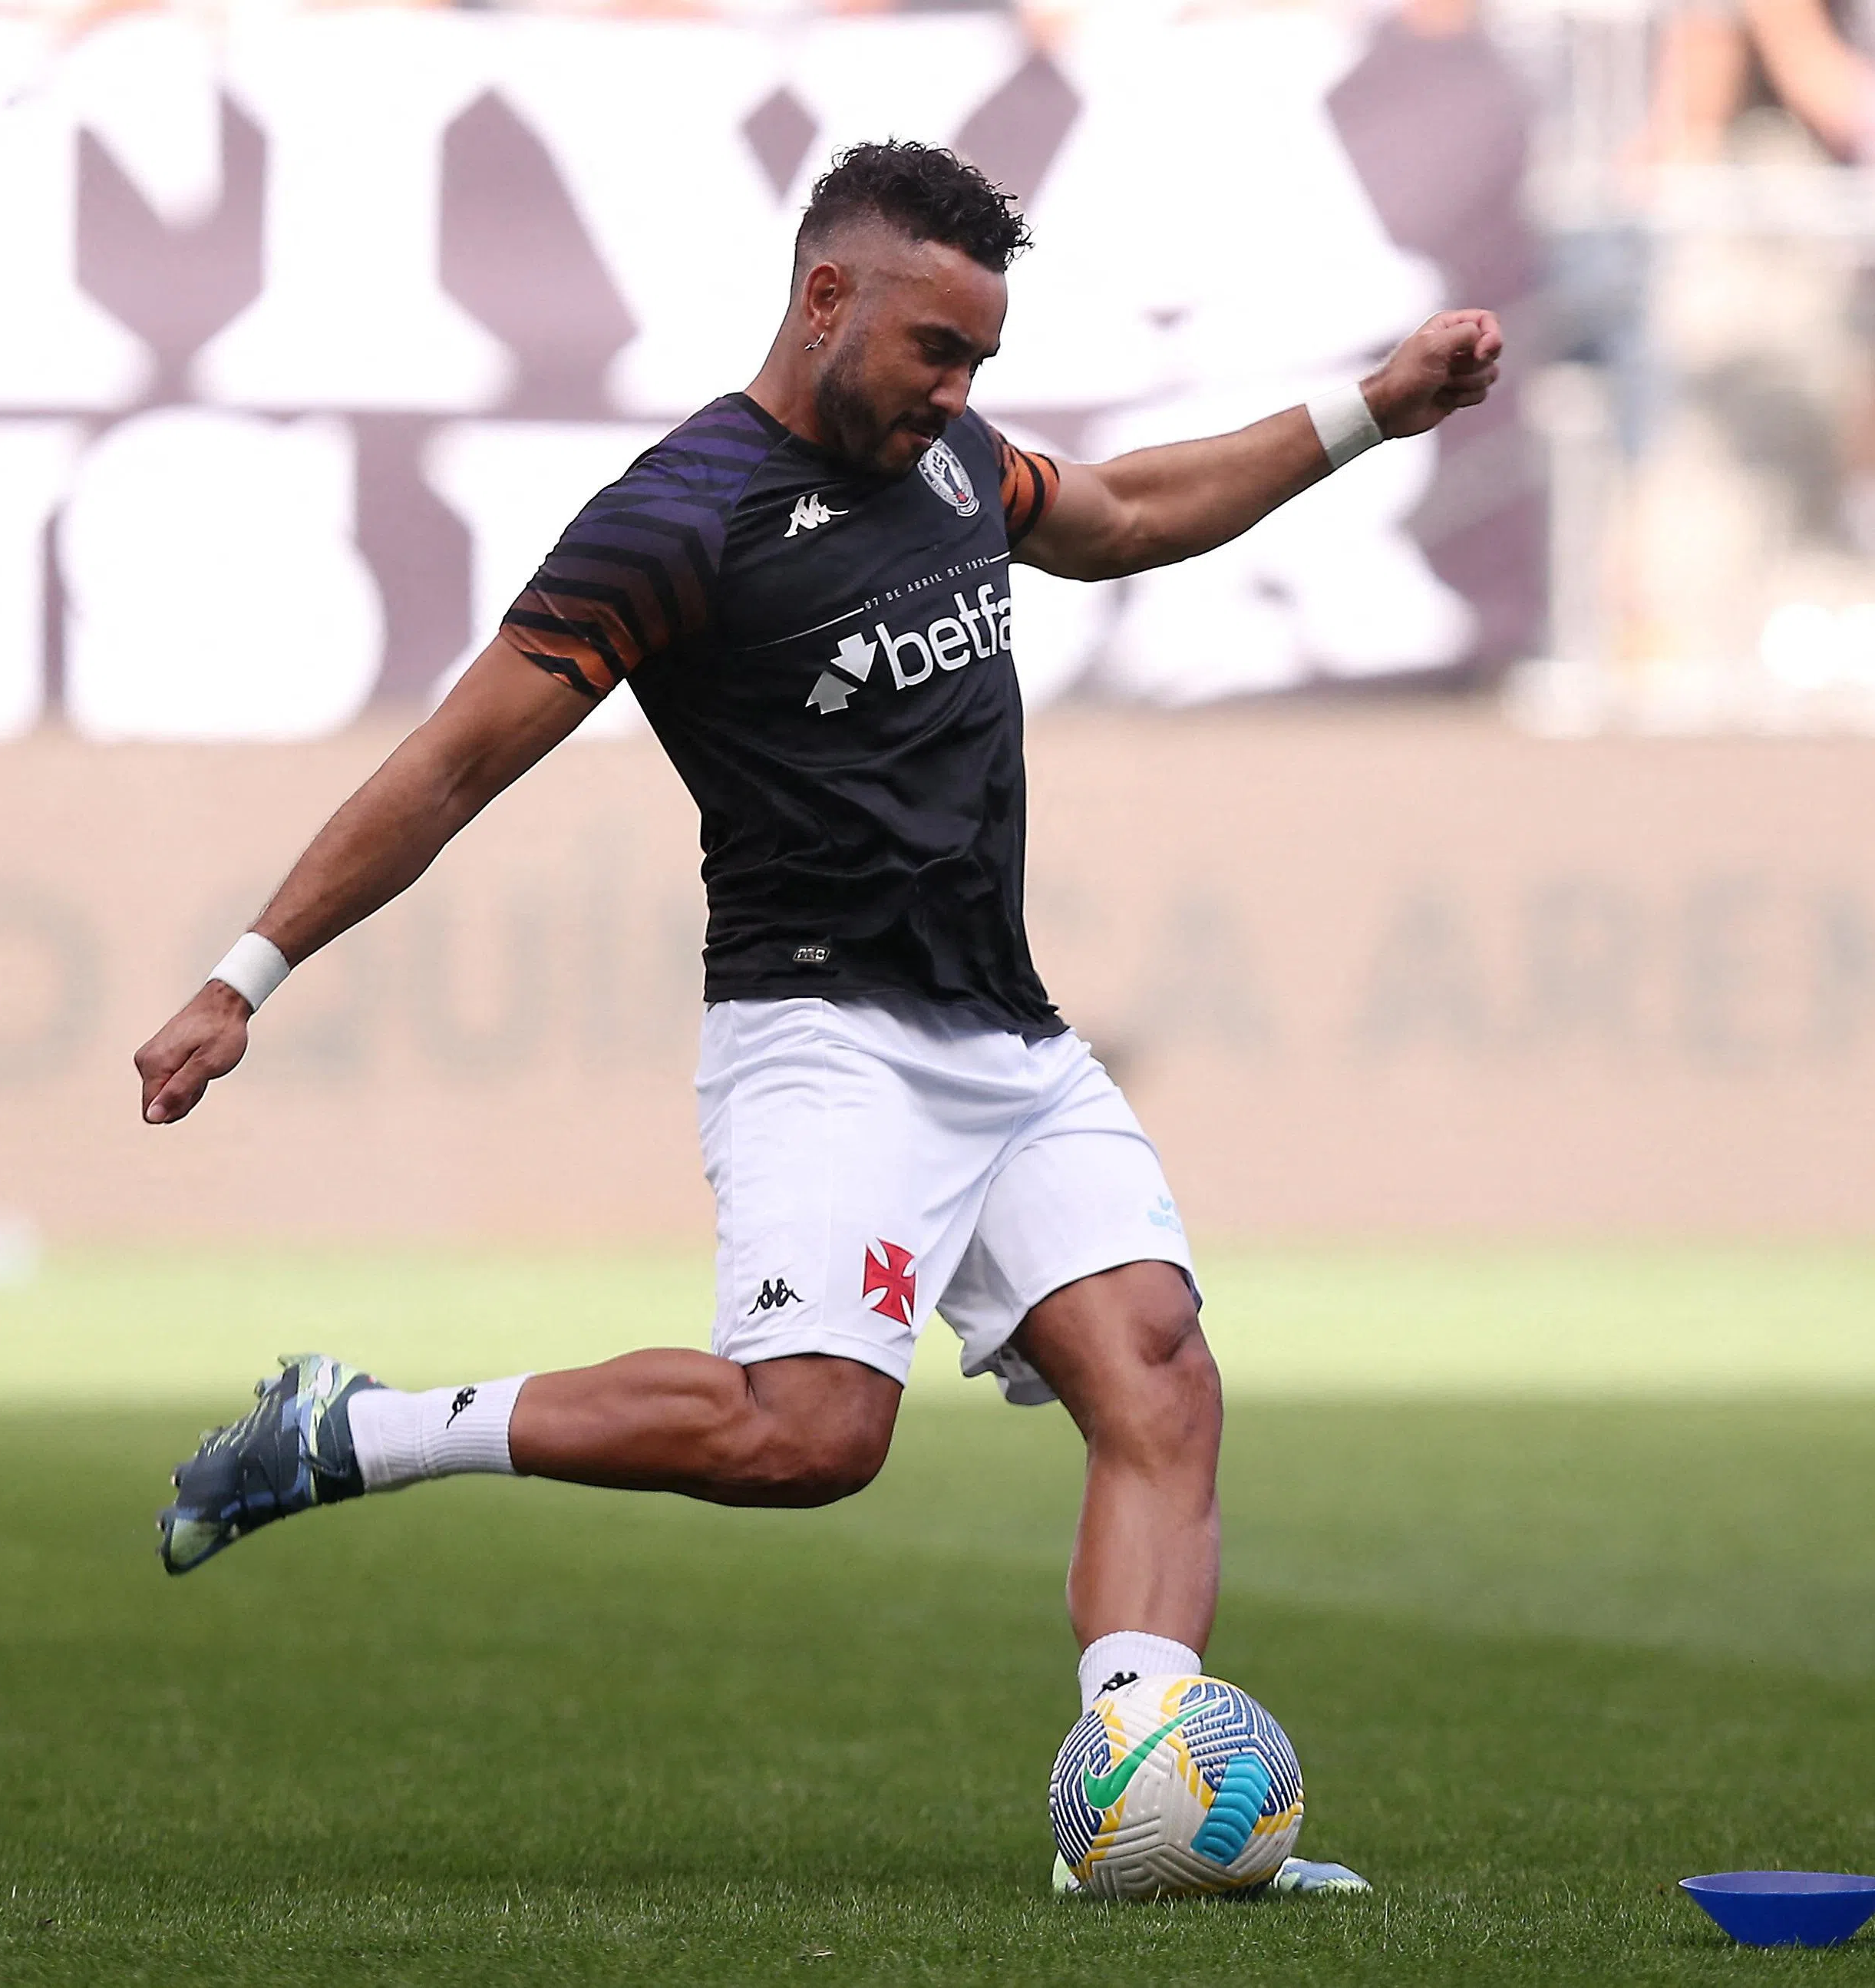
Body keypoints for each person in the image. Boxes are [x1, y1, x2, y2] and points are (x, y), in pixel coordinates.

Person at [132, 140, 1502, 1890]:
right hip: (822, 1037)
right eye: (937, 349)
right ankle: (356, 1429)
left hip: (1006, 1036)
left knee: (1157, 1368)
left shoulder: (940, 461)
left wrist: (1374, 410)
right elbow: (457, 762)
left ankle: (1144, 1810)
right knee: (809, 1441)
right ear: (825, 295)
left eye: (980, 364)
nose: (957, 391)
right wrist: (245, 975)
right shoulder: (676, 519)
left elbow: (1135, 512)